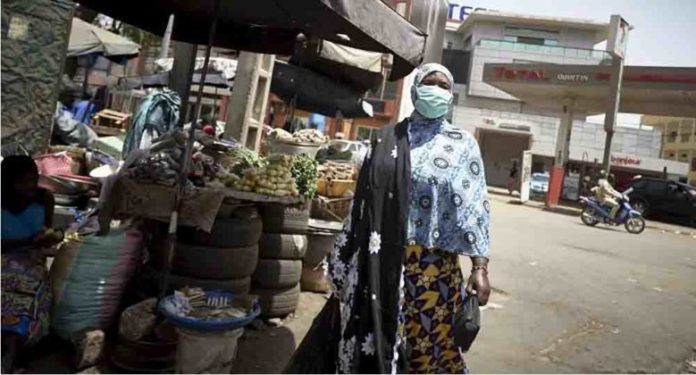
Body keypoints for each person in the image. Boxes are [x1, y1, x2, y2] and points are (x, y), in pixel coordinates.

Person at [326, 63, 490, 373]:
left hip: (434, 270)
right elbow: (364, 202)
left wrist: (479, 267)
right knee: (379, 345)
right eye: (431, 82)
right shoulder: (388, 139)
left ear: (452, 95)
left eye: (444, 85)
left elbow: (475, 209)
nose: (437, 90)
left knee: (428, 351)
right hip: (382, 260)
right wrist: (344, 258)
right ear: (415, 90)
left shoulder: (463, 145)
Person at [1, 156, 61, 372]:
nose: (30, 186)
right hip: (3, 258)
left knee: (29, 294)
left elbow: (46, 231)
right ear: (8, 182)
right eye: (22, 181)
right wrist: (27, 241)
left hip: (31, 260)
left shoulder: (44, 199)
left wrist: (50, 239)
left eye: (33, 179)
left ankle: (16, 346)